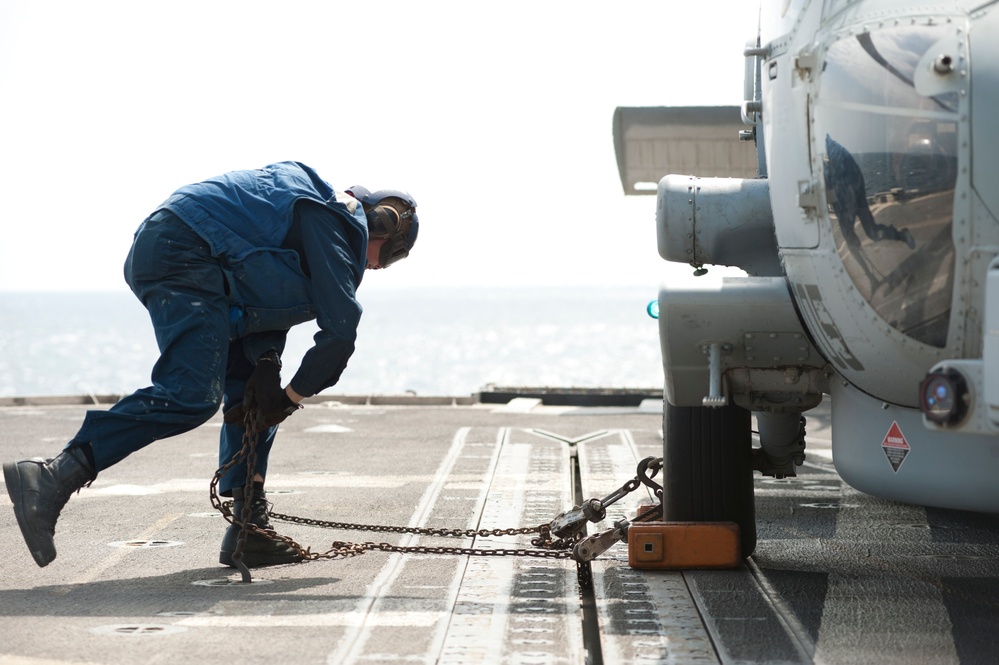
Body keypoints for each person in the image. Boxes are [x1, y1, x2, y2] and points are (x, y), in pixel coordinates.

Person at [3, 161, 419, 569]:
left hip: (196, 257)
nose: (377, 267)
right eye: (391, 255)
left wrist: (268, 364)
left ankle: (247, 527)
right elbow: (341, 331)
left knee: (252, 397)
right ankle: (54, 475)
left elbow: (265, 291)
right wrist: (291, 398)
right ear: (382, 223)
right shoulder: (338, 221)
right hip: (187, 252)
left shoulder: (311, 214)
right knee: (192, 396)